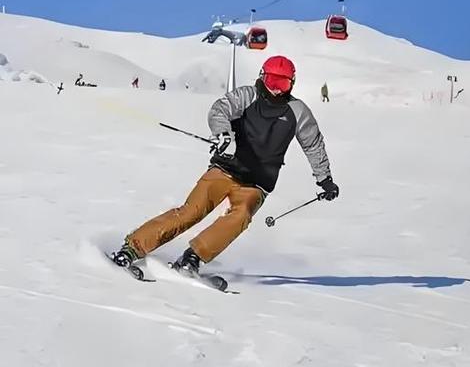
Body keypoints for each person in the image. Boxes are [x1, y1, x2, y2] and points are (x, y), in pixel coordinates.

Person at [111, 55, 339, 277]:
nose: (276, 89)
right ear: (262, 76)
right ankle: (132, 248)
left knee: (241, 215)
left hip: (258, 182)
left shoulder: (297, 111)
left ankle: (193, 257)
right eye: (272, 81)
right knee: (191, 212)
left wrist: (325, 179)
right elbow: (220, 110)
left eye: (283, 84)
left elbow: (313, 143)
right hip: (225, 169)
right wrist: (223, 134)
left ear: (292, 84)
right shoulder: (247, 96)